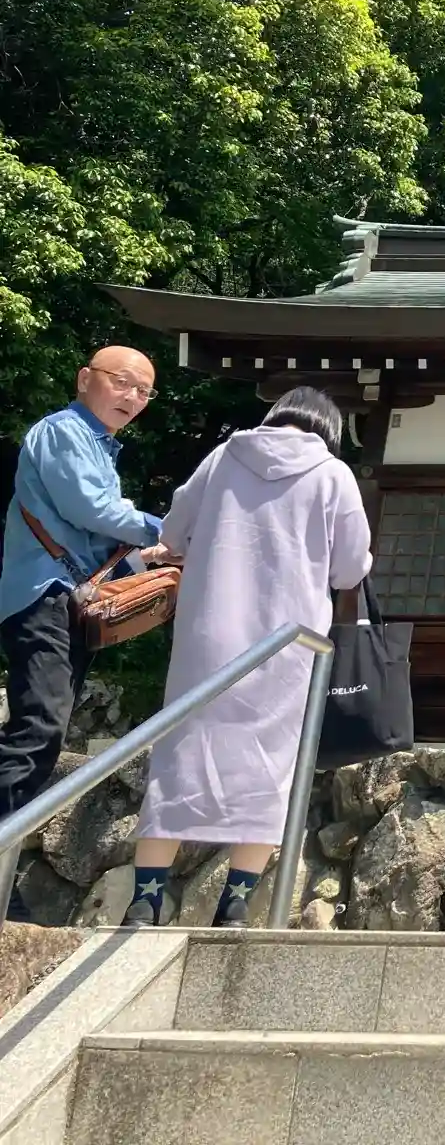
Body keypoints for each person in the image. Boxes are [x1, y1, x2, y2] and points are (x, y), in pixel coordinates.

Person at [123, 388, 372, 927]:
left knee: (180, 758)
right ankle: (234, 903)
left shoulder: (222, 457)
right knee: (269, 768)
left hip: (208, 637)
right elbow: (350, 569)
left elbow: (173, 531)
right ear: (328, 429)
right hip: (287, 644)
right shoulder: (334, 475)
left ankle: (145, 899)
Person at [0, 347, 169, 920]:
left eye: (144, 391)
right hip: (43, 596)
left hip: (65, 601)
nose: (133, 398)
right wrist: (167, 529)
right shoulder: (63, 432)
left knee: (42, 735)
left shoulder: (100, 447)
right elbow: (93, 510)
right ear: (84, 379)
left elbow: (98, 538)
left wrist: (152, 554)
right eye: (123, 382)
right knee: (38, 730)